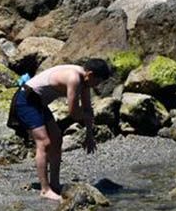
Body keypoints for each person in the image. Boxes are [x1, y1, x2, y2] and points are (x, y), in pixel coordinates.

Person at [11, 59, 112, 201]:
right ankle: (45, 190)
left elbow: (88, 109)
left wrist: (90, 135)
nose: (98, 85)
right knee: (44, 142)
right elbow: (74, 113)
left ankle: (55, 184)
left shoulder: (85, 81)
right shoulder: (74, 78)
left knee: (57, 137)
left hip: (39, 103)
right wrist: (85, 116)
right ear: (90, 74)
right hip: (26, 100)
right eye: (98, 81)